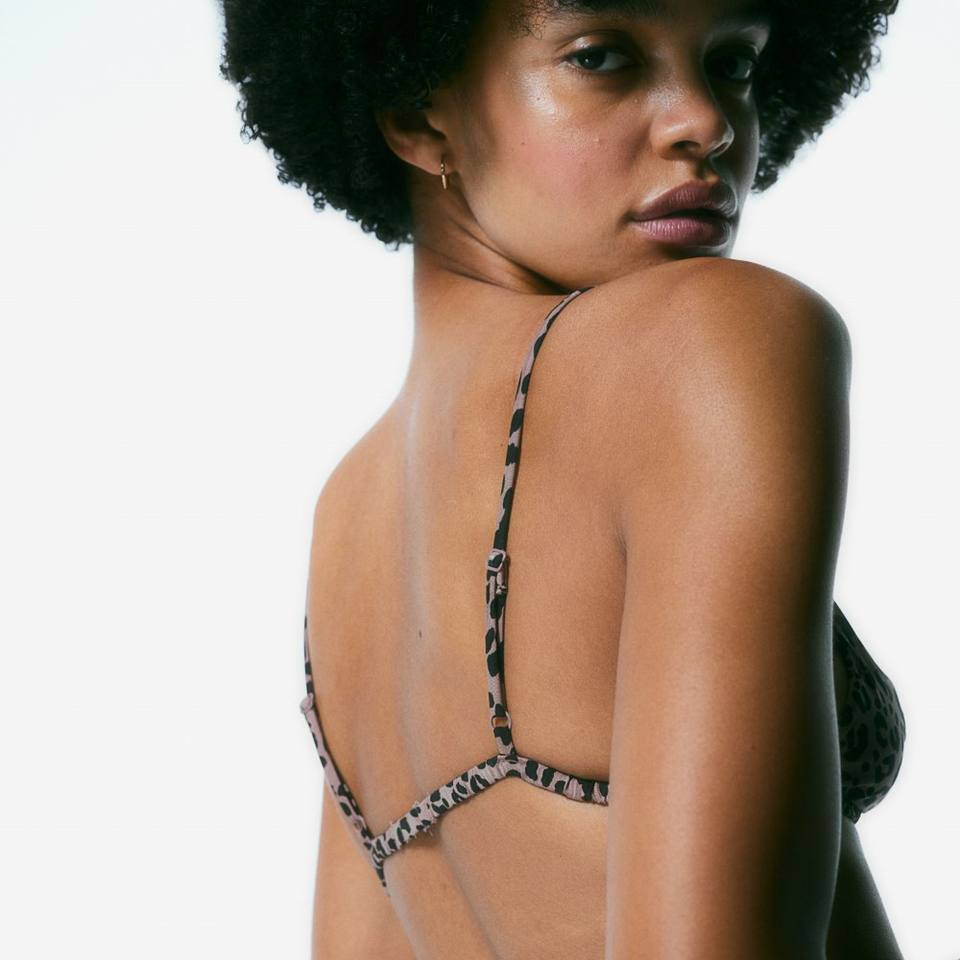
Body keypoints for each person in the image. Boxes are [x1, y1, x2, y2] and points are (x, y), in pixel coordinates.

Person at [219, 0, 907, 955]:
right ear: (419, 115)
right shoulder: (711, 339)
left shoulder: (348, 515)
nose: (706, 122)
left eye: (734, 64)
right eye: (601, 56)